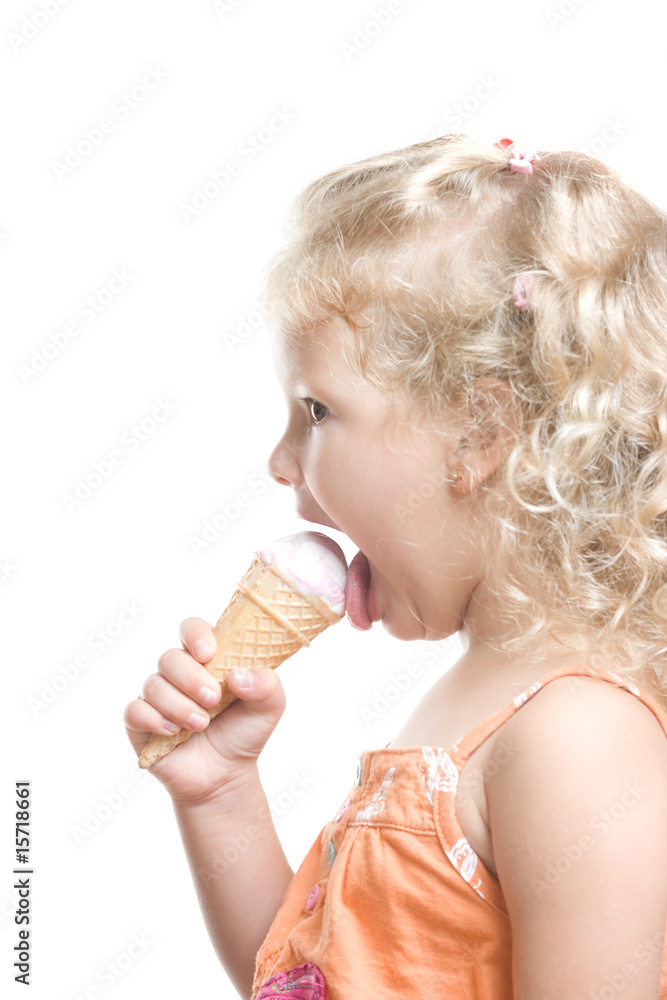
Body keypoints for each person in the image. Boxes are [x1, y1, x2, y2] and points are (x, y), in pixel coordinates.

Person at [124, 134, 667, 999]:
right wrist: (220, 793)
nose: (280, 459)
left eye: (316, 410)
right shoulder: (482, 695)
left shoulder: (577, 738)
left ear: (478, 434)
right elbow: (309, 977)